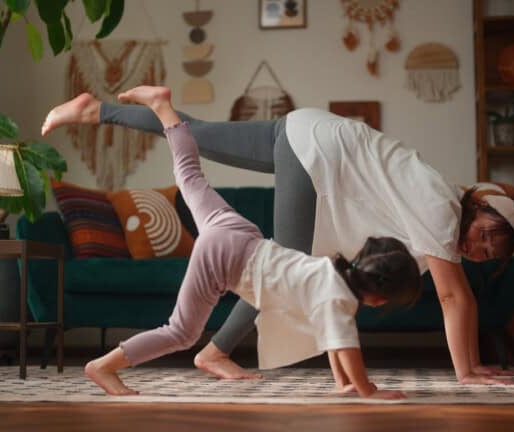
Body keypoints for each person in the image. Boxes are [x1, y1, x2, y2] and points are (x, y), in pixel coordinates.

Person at [42, 93, 514, 385]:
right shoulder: (443, 208)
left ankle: (96, 111)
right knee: (284, 269)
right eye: (485, 235)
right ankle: (215, 351)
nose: (477, 250)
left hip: (307, 127)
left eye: (490, 253)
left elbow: (460, 281)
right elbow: (452, 294)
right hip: (316, 153)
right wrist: (467, 371)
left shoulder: (446, 200)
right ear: (478, 207)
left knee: (198, 134)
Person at [80, 86, 422, 399]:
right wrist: (365, 391)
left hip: (238, 233)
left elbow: (333, 340)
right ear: (379, 297)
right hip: (227, 255)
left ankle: (163, 108)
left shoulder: (332, 272)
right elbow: (345, 345)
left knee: (190, 176)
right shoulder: (339, 298)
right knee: (181, 333)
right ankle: (103, 366)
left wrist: (343, 383)